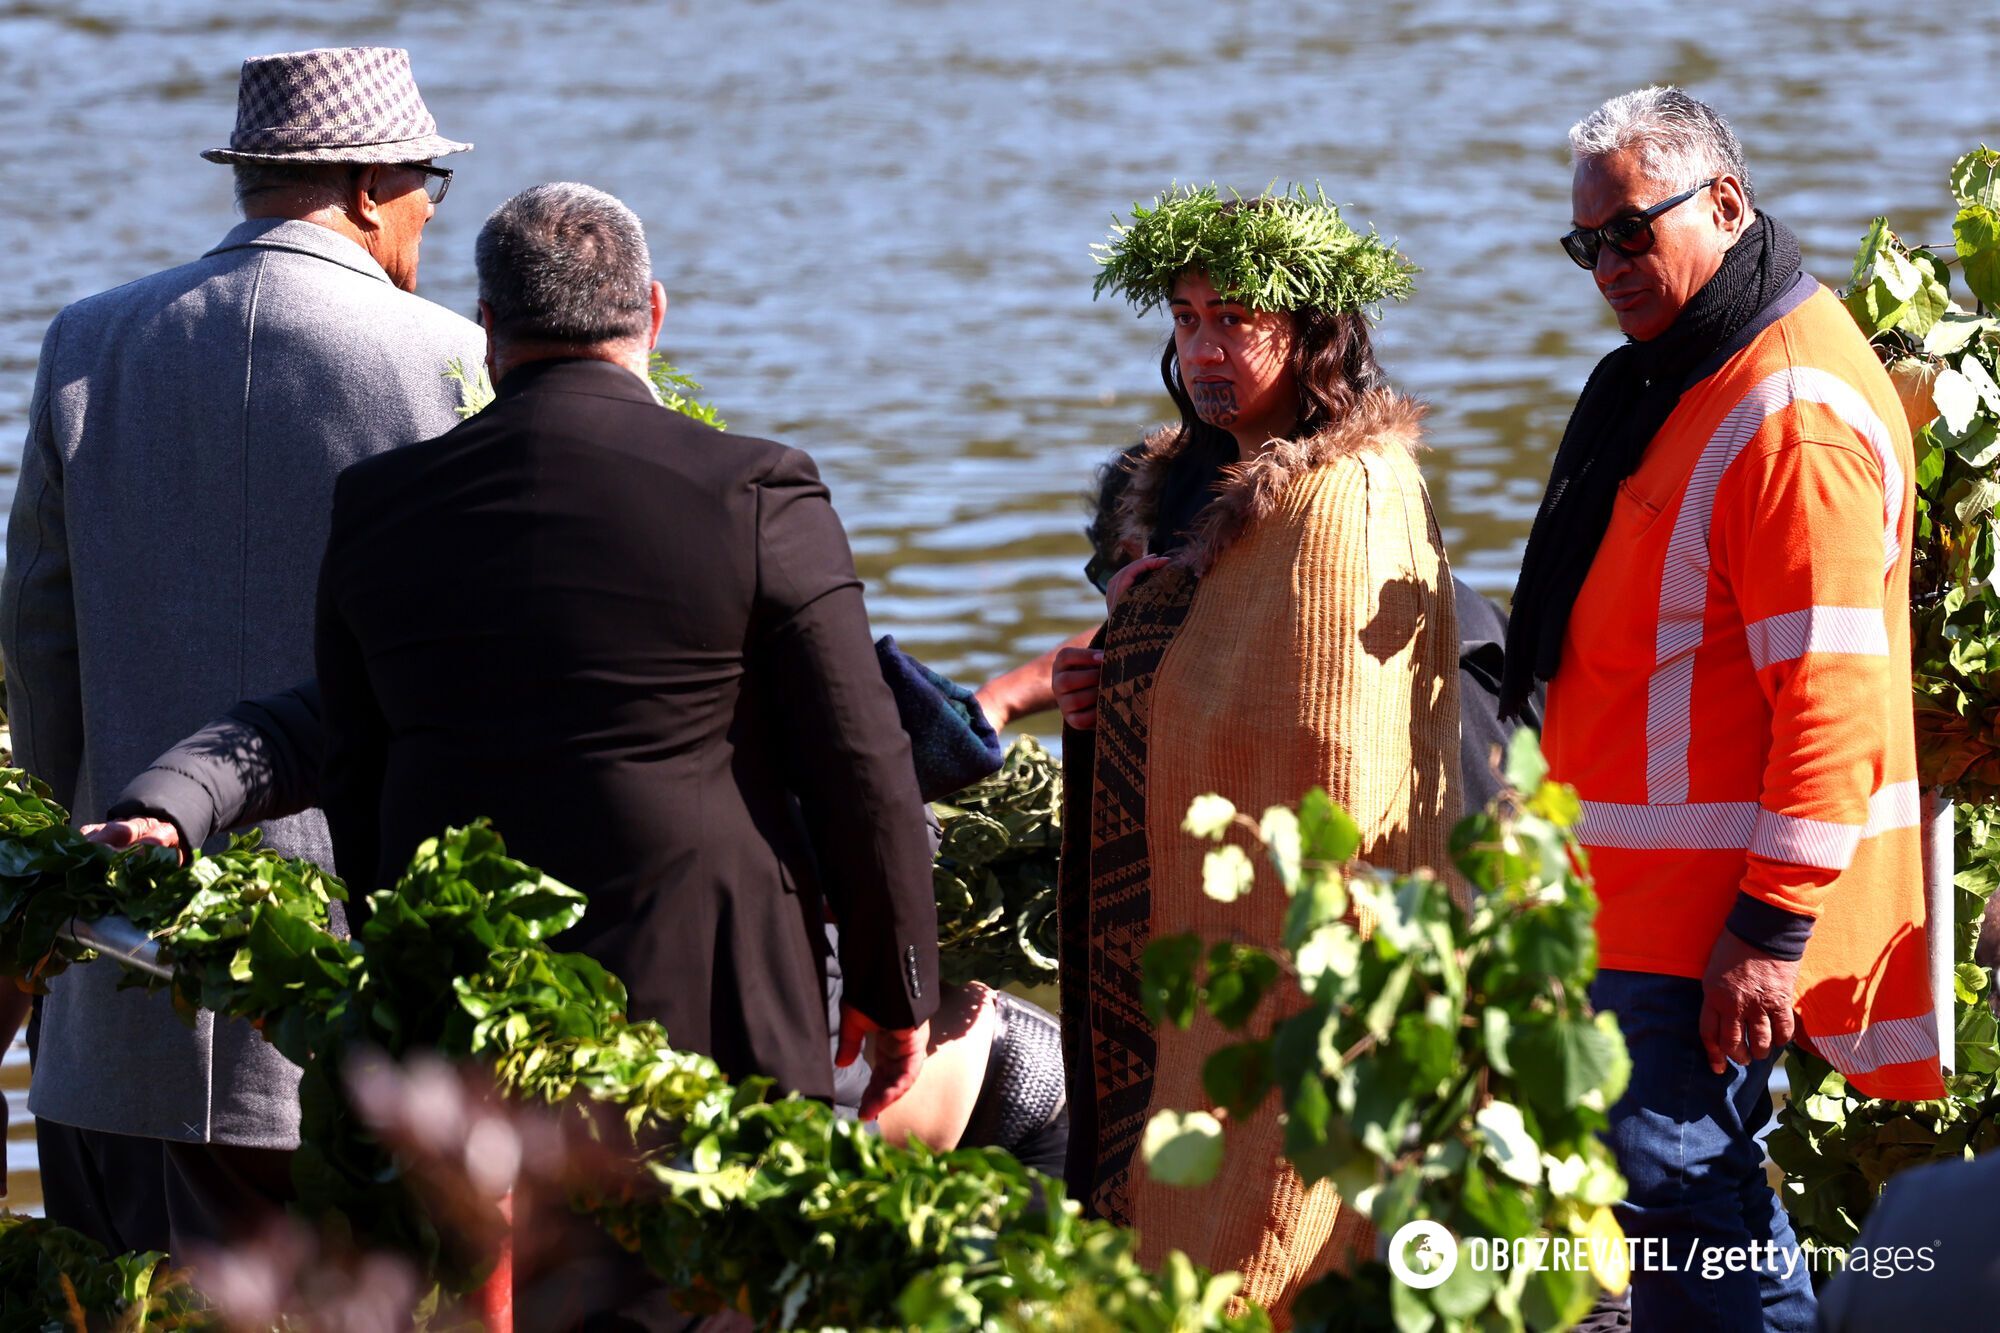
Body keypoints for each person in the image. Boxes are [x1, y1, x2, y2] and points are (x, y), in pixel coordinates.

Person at [0, 46, 481, 1259]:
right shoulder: (446, 362)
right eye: (431, 182)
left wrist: (83, 853)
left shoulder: (86, 343)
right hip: (339, 1007)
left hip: (122, 1006)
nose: (431, 211)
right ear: (372, 184)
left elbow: (39, 642)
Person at [1501, 87, 1940, 1331]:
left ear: (1725, 203)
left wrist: (1764, 932)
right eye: (1585, 245)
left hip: (1695, 927)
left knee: (1699, 1227)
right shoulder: (1694, 373)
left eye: (1630, 232)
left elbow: (1834, 700)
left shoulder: (1784, 412)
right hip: (1635, 906)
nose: (1607, 269)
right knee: (1673, 1229)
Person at [1055, 184, 1459, 1324]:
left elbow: (1335, 742)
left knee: (1278, 1225)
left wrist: (1157, 644)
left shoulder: (1349, 498)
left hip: (1291, 939)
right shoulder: (1187, 486)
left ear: (1315, 330)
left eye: (1236, 319)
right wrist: (1106, 680)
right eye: (1185, 321)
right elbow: (1207, 676)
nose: (1206, 349)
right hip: (1190, 931)